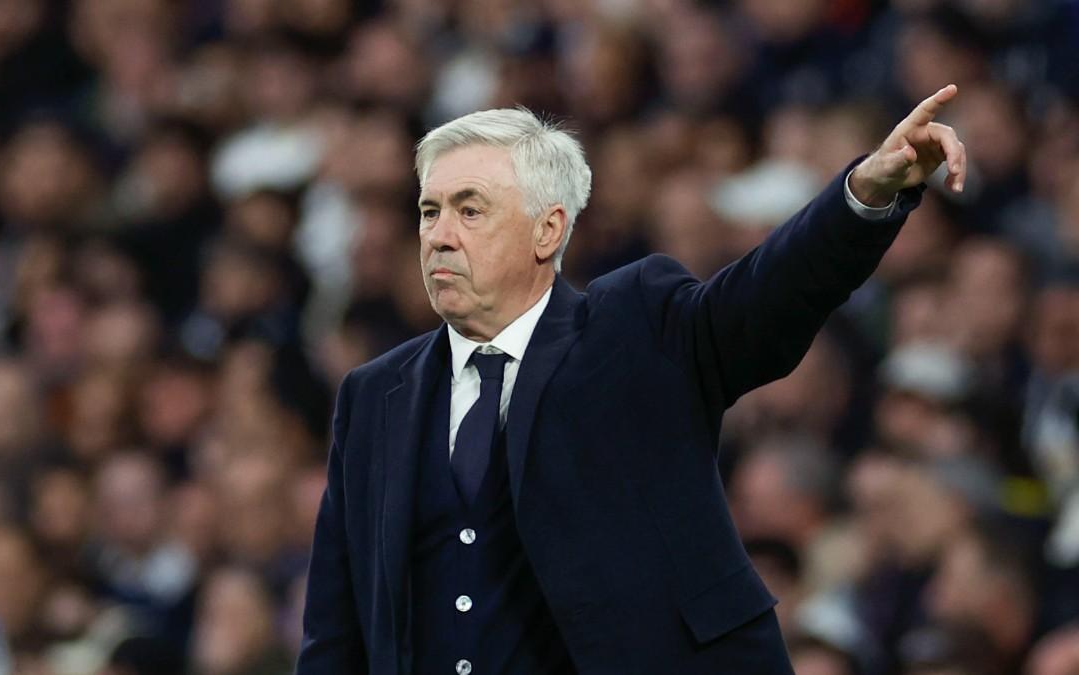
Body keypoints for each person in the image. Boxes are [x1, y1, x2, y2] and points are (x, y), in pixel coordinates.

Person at [298, 85, 968, 674]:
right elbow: (337, 631)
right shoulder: (374, 396)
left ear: (547, 230)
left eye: (469, 211)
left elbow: (764, 298)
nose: (439, 236)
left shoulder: (631, 326)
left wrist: (865, 194)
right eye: (429, 211)